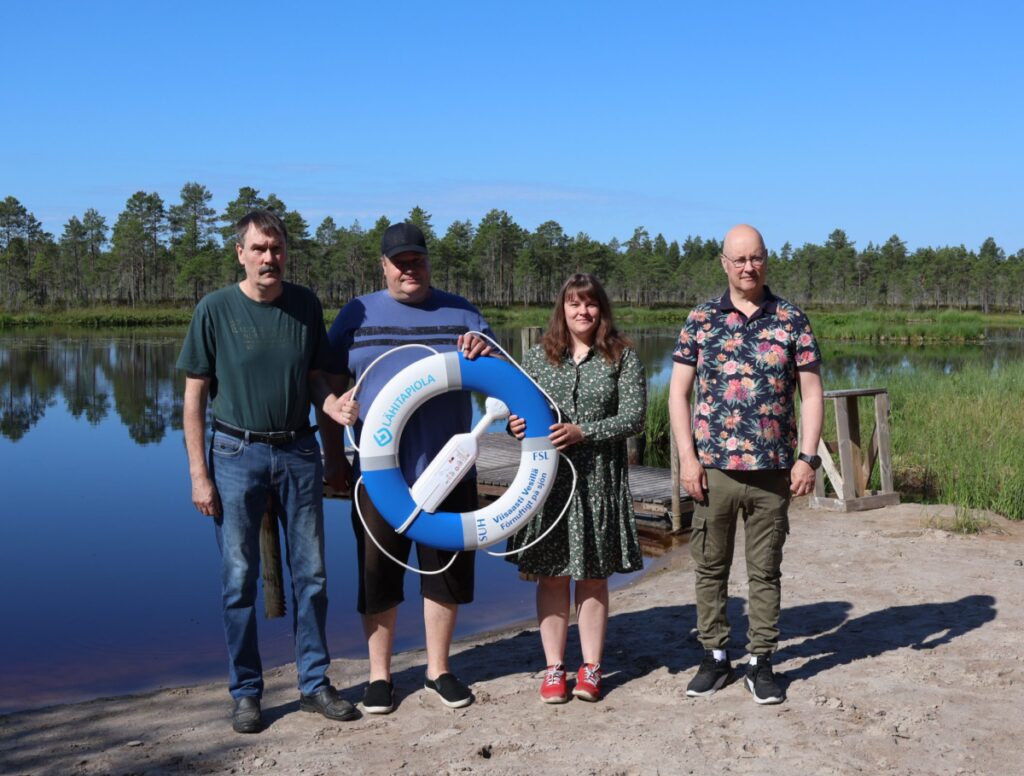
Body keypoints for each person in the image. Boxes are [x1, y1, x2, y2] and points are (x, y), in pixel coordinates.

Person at [178, 209, 359, 734]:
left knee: (314, 577)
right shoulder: (214, 309)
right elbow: (193, 402)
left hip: (299, 453)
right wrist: (198, 474)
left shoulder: (304, 305)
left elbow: (315, 379)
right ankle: (247, 692)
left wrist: (331, 410)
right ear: (241, 253)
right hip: (235, 455)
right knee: (239, 579)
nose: (268, 258)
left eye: (276, 249)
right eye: (258, 249)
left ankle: (314, 683)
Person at [322, 221, 495, 715]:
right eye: (399, 262)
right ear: (384, 266)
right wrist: (334, 455)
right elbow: (330, 388)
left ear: (427, 260)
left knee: (447, 570)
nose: (409, 269)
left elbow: (500, 377)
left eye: (416, 259)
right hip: (379, 473)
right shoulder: (356, 314)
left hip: (449, 467)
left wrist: (484, 351)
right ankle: (380, 675)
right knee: (377, 572)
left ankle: (438, 669)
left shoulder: (462, 311)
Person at [668, 224, 824, 705]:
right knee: (709, 568)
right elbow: (678, 393)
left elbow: (812, 393)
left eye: (755, 258)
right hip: (712, 471)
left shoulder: (791, 320)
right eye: (738, 259)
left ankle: (761, 661)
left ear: (766, 259)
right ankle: (715, 657)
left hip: (773, 474)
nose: (747, 267)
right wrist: (688, 460)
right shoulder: (700, 319)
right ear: (723, 263)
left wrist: (807, 458)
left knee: (765, 570)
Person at [506, 273, 647, 703]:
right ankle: (553, 668)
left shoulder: (622, 357)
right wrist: (515, 427)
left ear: (601, 309)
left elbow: (635, 418)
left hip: (599, 483)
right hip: (548, 485)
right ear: (561, 309)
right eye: (573, 304)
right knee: (551, 578)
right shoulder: (536, 358)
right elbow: (521, 415)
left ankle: (591, 667)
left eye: (590, 304)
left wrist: (584, 431)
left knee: (591, 578)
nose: (582, 312)